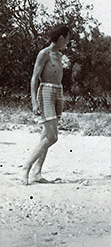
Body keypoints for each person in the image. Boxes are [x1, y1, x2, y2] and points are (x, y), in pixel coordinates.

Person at [22, 24, 71, 185]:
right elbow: (34, 78)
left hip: (58, 92)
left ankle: (37, 173)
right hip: (46, 92)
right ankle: (26, 167)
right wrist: (34, 102)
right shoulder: (44, 54)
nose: (68, 42)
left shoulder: (59, 55)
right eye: (68, 38)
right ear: (61, 38)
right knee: (52, 136)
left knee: (45, 134)